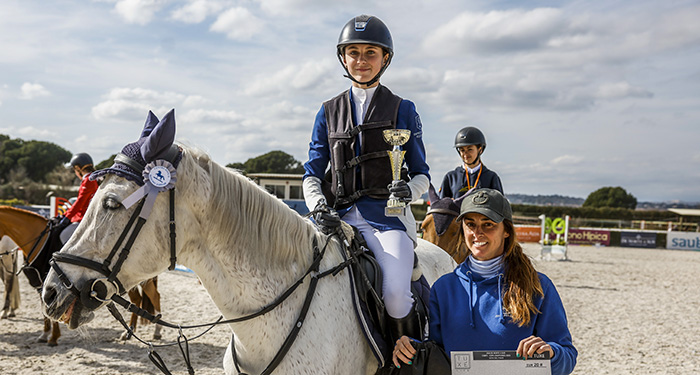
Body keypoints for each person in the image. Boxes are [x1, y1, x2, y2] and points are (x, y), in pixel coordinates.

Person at [302, 15, 430, 343]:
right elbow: (312, 173)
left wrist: (407, 191)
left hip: (386, 220)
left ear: (385, 58)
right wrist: (318, 207)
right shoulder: (327, 110)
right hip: (335, 218)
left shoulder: (403, 108)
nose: (361, 61)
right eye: (354, 52)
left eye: (370, 53)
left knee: (397, 295)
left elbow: (422, 175)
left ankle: (406, 362)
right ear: (343, 58)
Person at [393, 188, 577, 375]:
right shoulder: (444, 288)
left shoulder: (538, 286)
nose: (477, 233)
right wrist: (411, 349)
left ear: (506, 230)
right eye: (470, 224)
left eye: (488, 224)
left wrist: (552, 352)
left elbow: (568, 357)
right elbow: (436, 351)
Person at [438, 126, 503, 198]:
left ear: (480, 150)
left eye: (470, 149)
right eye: (462, 150)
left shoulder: (491, 177)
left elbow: (500, 205)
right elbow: (441, 205)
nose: (465, 154)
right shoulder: (450, 177)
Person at [58, 153, 98, 244]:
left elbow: (80, 202)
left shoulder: (88, 180)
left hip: (83, 218)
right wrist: (66, 214)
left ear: (78, 168)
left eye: (74, 170)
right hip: (83, 217)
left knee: (63, 235)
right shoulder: (93, 178)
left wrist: (67, 216)